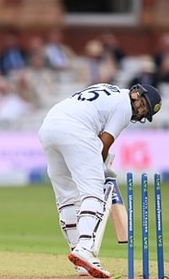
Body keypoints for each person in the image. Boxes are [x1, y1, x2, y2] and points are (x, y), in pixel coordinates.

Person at [37, 83, 161, 278]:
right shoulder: (124, 106)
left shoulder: (108, 89)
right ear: (136, 93)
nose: (140, 111)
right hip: (75, 129)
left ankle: (81, 260)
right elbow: (105, 141)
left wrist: (100, 161)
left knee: (67, 197)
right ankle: (85, 249)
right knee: (94, 193)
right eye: (143, 104)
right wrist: (101, 167)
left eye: (144, 112)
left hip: (49, 126)